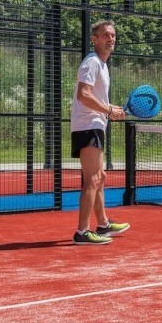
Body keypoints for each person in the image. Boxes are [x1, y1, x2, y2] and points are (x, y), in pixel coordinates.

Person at [69, 19, 131, 244]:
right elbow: (83, 95)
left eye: (113, 35)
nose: (110, 39)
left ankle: (103, 225)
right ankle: (82, 232)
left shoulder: (102, 65)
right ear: (94, 39)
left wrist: (110, 109)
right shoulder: (92, 62)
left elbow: (94, 97)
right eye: (105, 35)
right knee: (93, 179)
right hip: (88, 125)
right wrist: (108, 110)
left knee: (99, 176)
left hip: (94, 124)